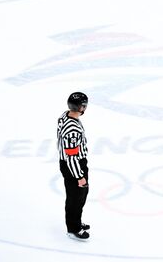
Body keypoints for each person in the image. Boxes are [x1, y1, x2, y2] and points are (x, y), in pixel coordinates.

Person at [58, 92, 90, 241]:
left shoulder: (65, 116)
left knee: (78, 196)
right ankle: (73, 228)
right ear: (81, 107)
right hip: (74, 165)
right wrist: (79, 176)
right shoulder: (72, 130)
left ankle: (76, 221)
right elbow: (71, 157)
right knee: (76, 197)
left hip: (69, 163)